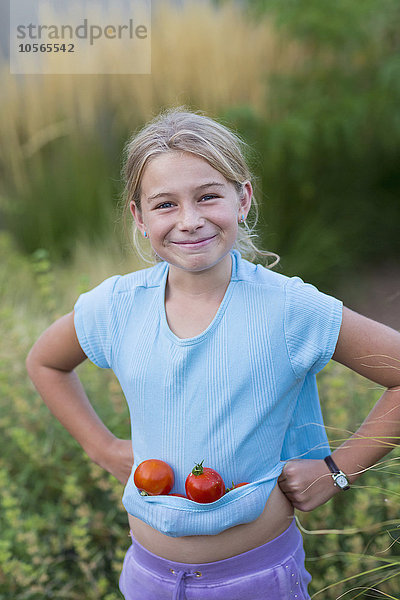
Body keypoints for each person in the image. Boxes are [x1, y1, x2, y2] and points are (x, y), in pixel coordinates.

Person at [26, 107, 400, 600]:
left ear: (242, 198)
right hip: (147, 579)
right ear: (138, 217)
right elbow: (45, 362)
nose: (190, 220)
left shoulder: (289, 308)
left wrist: (338, 468)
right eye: (165, 205)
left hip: (258, 579)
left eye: (207, 196)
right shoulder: (116, 307)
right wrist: (106, 449)